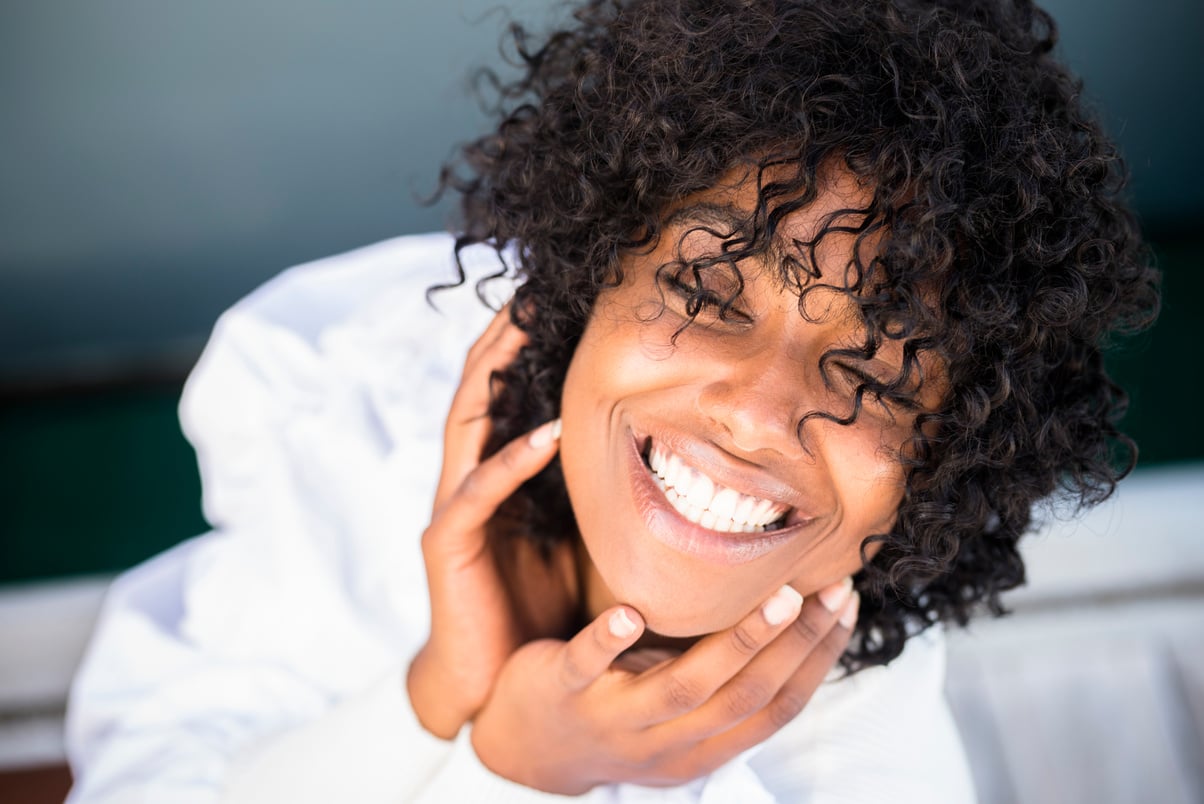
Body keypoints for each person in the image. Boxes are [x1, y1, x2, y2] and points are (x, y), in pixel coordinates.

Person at [66, 0, 1159, 801]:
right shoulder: (360, 417)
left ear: (944, 463)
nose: (757, 411)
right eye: (706, 293)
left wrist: (523, 769)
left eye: (872, 375)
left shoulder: (857, 740)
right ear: (585, 283)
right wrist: (449, 696)